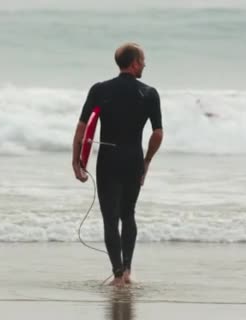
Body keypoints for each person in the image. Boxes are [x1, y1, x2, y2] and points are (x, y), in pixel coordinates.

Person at [71, 43, 163, 286]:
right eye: (143, 60)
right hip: (133, 158)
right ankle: (129, 270)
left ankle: (118, 274)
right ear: (134, 63)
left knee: (110, 218)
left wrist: (76, 159)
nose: (145, 64)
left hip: (109, 159)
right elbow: (157, 134)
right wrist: (147, 161)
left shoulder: (100, 90)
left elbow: (82, 127)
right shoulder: (149, 93)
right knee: (128, 214)